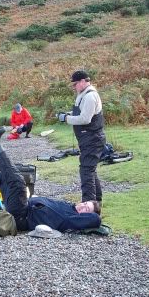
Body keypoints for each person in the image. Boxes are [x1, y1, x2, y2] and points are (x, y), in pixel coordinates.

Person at [0, 127, 101, 233]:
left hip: (22, 217)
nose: (82, 206)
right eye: (85, 203)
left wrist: (92, 213)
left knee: (18, 182)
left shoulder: (73, 219)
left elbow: (96, 220)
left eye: (86, 209)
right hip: (23, 207)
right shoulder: (69, 206)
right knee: (4, 177)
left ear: (87, 215)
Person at [56, 70, 106, 204]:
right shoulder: (83, 94)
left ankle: (88, 205)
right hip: (88, 138)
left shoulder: (90, 96)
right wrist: (68, 114)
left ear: (84, 81)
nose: (74, 87)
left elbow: (85, 119)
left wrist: (66, 118)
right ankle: (97, 202)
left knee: (86, 171)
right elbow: (81, 111)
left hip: (92, 139)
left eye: (75, 84)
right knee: (90, 169)